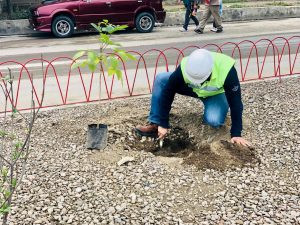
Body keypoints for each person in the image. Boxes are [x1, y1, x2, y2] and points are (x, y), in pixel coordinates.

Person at [135, 49, 251, 147]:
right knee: (161, 79)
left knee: (214, 120)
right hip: (192, 89)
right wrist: (163, 123)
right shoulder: (186, 65)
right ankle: (155, 123)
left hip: (215, 94)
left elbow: (236, 103)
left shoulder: (227, 71)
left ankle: (215, 114)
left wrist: (236, 133)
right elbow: (168, 91)